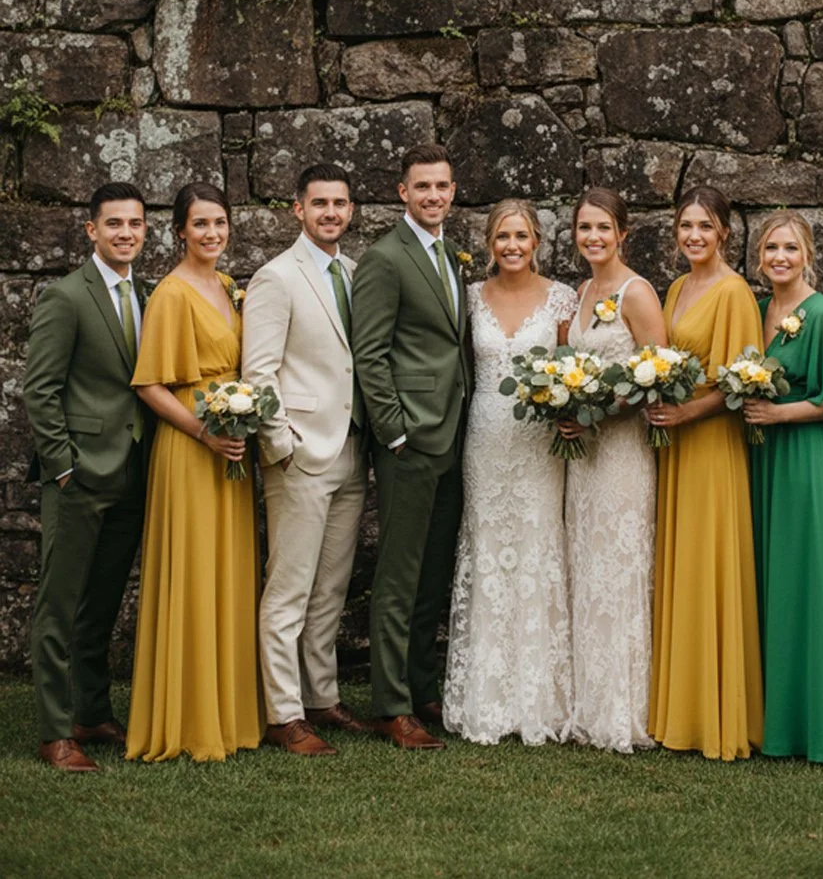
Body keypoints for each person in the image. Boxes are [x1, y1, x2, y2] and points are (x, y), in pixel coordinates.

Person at [125, 183, 263, 763]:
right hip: (189, 447)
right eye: (200, 224)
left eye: (220, 223)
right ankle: (185, 718)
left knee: (227, 573)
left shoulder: (228, 288)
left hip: (230, 446)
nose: (212, 234)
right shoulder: (171, 295)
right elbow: (150, 384)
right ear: (179, 230)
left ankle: (227, 715)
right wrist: (204, 431)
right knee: (191, 570)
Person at [23, 183, 150, 773]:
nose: (126, 233)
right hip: (79, 478)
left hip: (130, 474)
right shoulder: (66, 297)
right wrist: (63, 467)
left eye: (136, 224)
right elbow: (40, 389)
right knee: (60, 605)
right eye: (115, 224)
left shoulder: (146, 295)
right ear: (91, 231)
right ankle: (54, 731)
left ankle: (91, 712)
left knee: (102, 604)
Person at [242, 163, 368, 757]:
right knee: (289, 590)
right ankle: (283, 714)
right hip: (300, 455)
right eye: (319, 204)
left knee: (331, 590)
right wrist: (280, 444)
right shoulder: (276, 277)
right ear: (298, 209)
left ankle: (322, 696)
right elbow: (258, 372)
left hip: (351, 451)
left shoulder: (353, 272)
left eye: (340, 204)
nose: (331, 213)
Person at [443, 199, 577, 745]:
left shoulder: (562, 299)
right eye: (502, 236)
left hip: (539, 447)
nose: (512, 246)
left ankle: (540, 699)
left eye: (521, 236)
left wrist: (571, 412)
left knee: (538, 547)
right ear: (490, 243)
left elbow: (574, 370)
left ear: (538, 242)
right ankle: (486, 695)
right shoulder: (471, 297)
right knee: (488, 549)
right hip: (486, 441)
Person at [352, 144, 472, 751]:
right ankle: (391, 706)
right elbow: (369, 353)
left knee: (433, 576)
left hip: (453, 436)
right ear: (402, 192)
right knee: (398, 577)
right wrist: (393, 430)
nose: (433, 196)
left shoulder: (452, 254)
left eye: (442, 186)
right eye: (422, 187)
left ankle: (424, 689)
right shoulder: (385, 259)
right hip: (409, 442)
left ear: (453, 191)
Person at [647, 185, 764, 761]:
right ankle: (679, 709)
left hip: (712, 443)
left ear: (724, 233)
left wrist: (686, 410)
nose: (694, 235)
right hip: (675, 445)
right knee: (681, 564)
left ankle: (716, 715)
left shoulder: (734, 291)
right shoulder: (674, 289)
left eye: (705, 226)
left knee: (708, 564)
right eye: (686, 226)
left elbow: (740, 381)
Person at [745, 211, 823, 763]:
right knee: (777, 584)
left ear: (807, 253)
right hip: (768, 461)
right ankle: (778, 719)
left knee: (808, 583)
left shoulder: (822, 317)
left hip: (808, 462)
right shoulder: (764, 309)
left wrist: (778, 414)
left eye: (790, 248)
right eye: (771, 249)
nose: (779, 258)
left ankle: (817, 727)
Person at [560, 188, 665, 753]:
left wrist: (594, 409)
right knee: (587, 569)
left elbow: (658, 374)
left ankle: (624, 711)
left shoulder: (637, 292)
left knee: (620, 573)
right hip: (585, 459)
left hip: (622, 454)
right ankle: (589, 704)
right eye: (584, 229)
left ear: (623, 232)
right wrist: (563, 404)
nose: (593, 237)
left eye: (603, 228)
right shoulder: (582, 292)